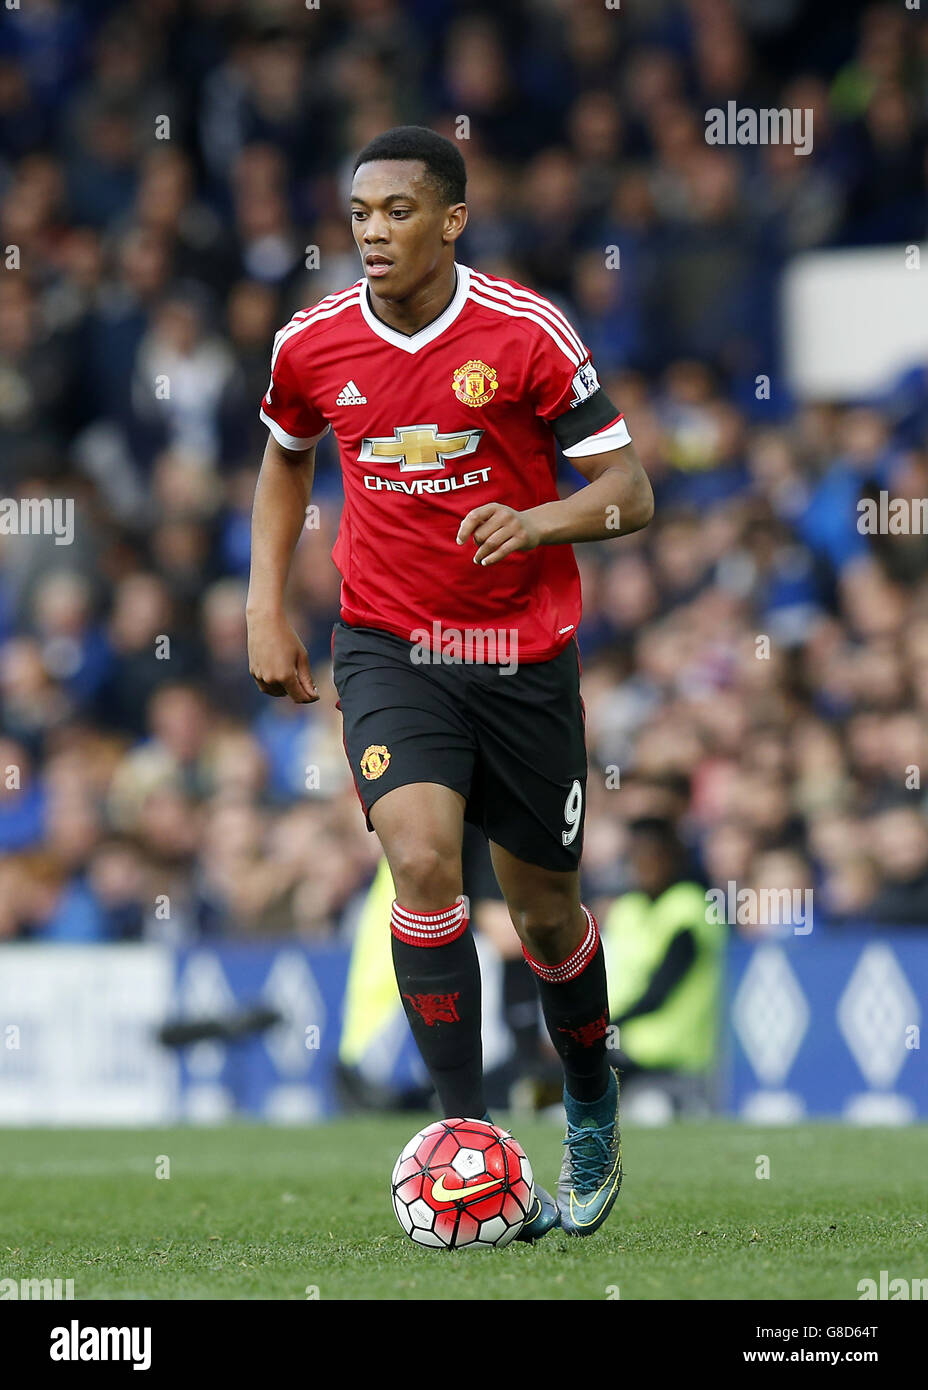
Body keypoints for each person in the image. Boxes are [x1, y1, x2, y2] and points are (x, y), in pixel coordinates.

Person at [246, 126, 653, 1238]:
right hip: (389, 645)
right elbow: (286, 454)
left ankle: (586, 1099)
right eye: (360, 212)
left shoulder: (524, 333)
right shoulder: (312, 343)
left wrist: (538, 519)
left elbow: (630, 491)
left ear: (452, 220)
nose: (372, 232)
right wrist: (262, 603)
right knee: (421, 862)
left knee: (545, 912)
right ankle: (462, 1134)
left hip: (520, 655)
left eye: (398, 212)